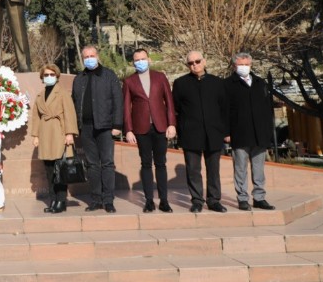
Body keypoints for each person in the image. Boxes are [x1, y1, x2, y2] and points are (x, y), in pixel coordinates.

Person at [172, 51, 228, 213]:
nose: (194, 65)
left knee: (213, 169)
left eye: (197, 61)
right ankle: (197, 200)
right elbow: (176, 109)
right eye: (190, 63)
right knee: (193, 169)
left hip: (213, 132)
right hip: (191, 133)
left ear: (204, 61)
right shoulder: (180, 83)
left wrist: (225, 131)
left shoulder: (217, 82)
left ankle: (214, 200)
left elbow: (224, 109)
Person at [123, 49, 177, 213]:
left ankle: (164, 201)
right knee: (146, 164)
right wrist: (128, 130)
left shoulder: (160, 77)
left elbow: (169, 101)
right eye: (137, 60)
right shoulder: (129, 81)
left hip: (160, 126)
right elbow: (126, 107)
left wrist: (172, 124)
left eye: (143, 59)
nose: (140, 62)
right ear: (133, 62)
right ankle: (148, 201)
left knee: (161, 163)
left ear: (149, 60)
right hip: (141, 128)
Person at [72, 45, 124, 213]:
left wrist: (117, 125)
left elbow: (118, 101)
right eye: (86, 56)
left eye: (91, 55)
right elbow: (74, 104)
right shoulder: (79, 78)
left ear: (97, 56)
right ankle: (96, 199)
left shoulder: (108, 75)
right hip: (86, 128)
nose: (89, 59)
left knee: (107, 163)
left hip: (106, 127)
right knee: (92, 165)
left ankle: (108, 200)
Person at [224, 52, 276, 211]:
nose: (244, 67)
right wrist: (226, 132)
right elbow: (224, 110)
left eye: (247, 64)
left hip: (259, 133)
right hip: (239, 133)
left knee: (259, 168)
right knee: (240, 168)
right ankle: (242, 198)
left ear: (251, 65)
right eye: (241, 64)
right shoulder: (227, 84)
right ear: (234, 66)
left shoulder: (260, 83)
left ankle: (259, 198)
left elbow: (267, 109)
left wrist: (268, 130)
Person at [30, 64, 78, 214]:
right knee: (49, 170)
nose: (48, 77)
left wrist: (69, 133)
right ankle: (53, 200)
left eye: (51, 74)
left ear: (57, 76)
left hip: (59, 133)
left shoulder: (62, 93)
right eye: (46, 75)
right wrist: (36, 135)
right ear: (42, 77)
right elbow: (36, 117)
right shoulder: (39, 95)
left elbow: (70, 114)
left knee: (61, 170)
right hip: (45, 135)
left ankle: (61, 201)